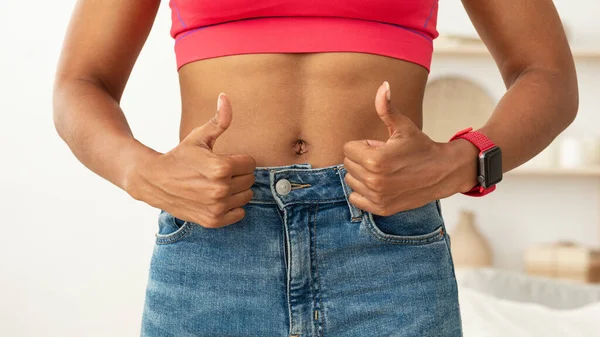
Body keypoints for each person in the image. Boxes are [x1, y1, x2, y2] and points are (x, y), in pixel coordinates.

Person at [52, 1, 578, 336]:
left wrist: (463, 162)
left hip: (386, 250)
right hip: (216, 248)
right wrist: (142, 172)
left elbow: (548, 75)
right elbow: (81, 81)